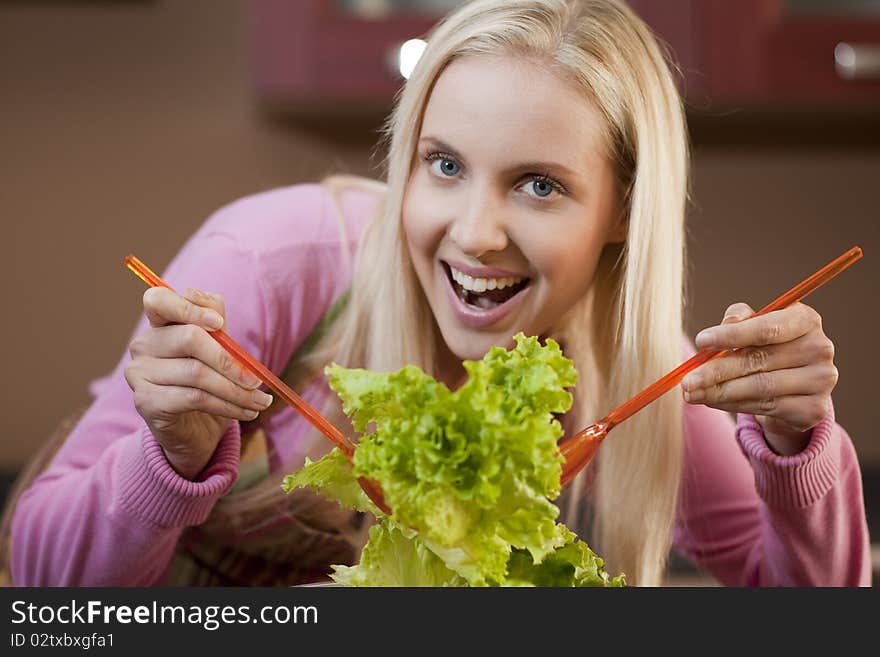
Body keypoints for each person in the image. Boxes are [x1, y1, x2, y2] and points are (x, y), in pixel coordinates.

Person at [7, 0, 870, 587]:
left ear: (623, 213)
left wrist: (799, 446)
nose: (475, 233)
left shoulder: (637, 369)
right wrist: (173, 456)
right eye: (444, 164)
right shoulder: (274, 258)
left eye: (539, 184)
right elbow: (45, 580)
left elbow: (807, 608)